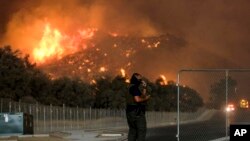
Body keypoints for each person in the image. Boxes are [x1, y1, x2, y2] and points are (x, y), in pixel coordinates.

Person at [126, 73, 151, 141]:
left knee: (132, 131)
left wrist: (144, 87)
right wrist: (146, 99)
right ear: (136, 78)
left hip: (129, 112)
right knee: (141, 131)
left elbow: (141, 96)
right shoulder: (134, 88)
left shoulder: (129, 87)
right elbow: (137, 99)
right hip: (137, 113)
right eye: (140, 78)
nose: (141, 80)